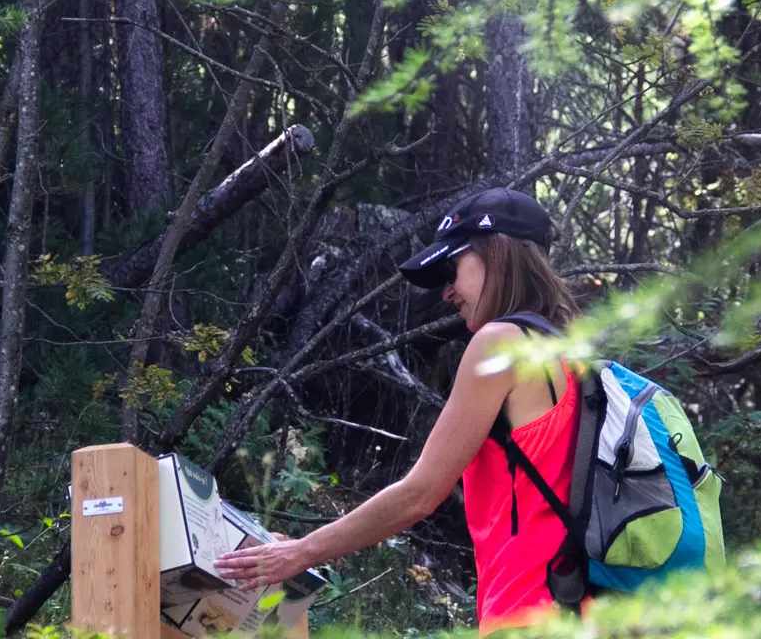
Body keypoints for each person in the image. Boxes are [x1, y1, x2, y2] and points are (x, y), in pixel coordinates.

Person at [214, 188, 582, 635]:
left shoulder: (501, 343)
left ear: (497, 253)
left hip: (529, 613)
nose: (447, 292)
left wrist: (301, 552)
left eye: (451, 269)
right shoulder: (570, 358)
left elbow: (419, 494)